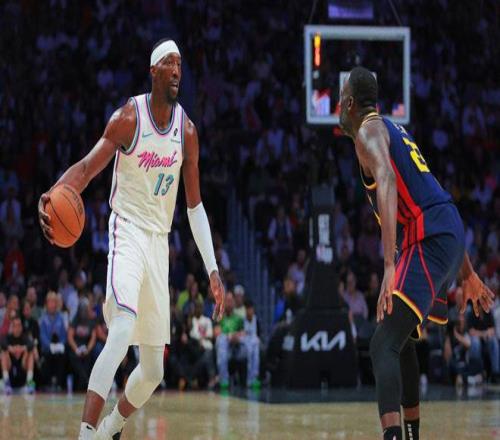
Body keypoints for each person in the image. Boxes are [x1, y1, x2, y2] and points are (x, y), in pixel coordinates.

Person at [38, 38, 226, 440]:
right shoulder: (128, 118)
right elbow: (86, 169)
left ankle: (112, 426)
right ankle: (86, 432)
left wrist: (212, 269)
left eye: (180, 65)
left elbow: (195, 207)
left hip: (159, 242)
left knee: (154, 370)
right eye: (169, 64)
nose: (177, 71)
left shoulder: (187, 132)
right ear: (153, 71)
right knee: (122, 329)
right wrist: (53, 192)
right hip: (126, 230)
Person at [338, 66, 495, 440]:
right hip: (446, 230)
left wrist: (389, 266)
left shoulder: (368, 131)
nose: (339, 108)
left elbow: (387, 179)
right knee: (402, 340)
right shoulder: (395, 130)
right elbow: (434, 196)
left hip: (428, 237)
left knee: (382, 345)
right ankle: (411, 435)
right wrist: (467, 271)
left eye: (341, 100)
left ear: (349, 103)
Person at [1, 314, 35, 394]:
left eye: (19, 325)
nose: (17, 328)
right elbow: (3, 344)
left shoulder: (25, 337)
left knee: (30, 353)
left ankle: (29, 382)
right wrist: (11, 349)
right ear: (12, 327)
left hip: (22, 369)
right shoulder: (8, 337)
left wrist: (22, 348)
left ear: (21, 327)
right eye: (15, 326)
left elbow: (31, 344)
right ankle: (7, 382)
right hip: (11, 370)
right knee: (4, 353)